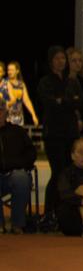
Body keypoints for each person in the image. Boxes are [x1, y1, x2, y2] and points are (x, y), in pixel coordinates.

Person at [38, 46, 83, 218]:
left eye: (63, 58)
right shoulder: (45, 82)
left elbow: (81, 102)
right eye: (57, 58)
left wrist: (62, 101)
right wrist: (68, 102)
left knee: (69, 172)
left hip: (70, 134)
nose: (61, 61)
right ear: (51, 61)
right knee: (57, 172)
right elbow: (49, 103)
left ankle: (66, 212)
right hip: (54, 135)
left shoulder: (72, 81)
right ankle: (50, 212)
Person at [0, 99, 35, 233]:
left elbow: (31, 153)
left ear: (6, 113)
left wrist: (18, 164)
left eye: (1, 110)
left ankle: (17, 224)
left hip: (14, 174)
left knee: (21, 177)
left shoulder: (18, 131)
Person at [3, 61, 39, 127]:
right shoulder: (4, 83)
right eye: (8, 70)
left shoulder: (21, 85)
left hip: (18, 118)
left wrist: (33, 115)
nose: (9, 72)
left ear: (17, 71)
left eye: (12, 70)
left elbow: (26, 100)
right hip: (6, 118)